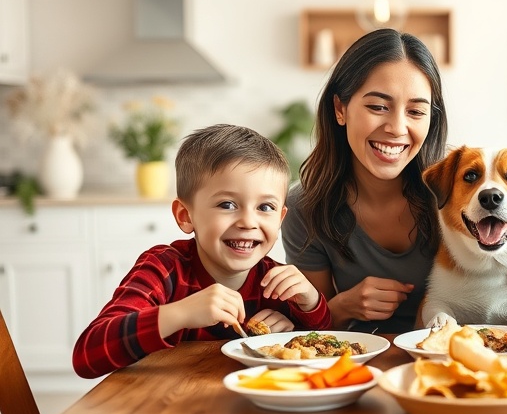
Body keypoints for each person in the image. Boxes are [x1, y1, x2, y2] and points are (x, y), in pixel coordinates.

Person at [282, 28, 507, 334]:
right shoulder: (306, 206)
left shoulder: (454, 185)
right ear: (340, 109)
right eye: (378, 106)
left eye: (416, 111)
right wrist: (344, 307)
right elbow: (310, 327)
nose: (397, 127)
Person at [73, 124, 330, 378]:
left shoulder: (277, 283)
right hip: (166, 407)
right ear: (186, 216)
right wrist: (179, 314)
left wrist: (308, 304)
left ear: (281, 218)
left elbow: (325, 342)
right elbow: (87, 356)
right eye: (227, 204)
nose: (249, 222)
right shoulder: (163, 268)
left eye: (265, 207)